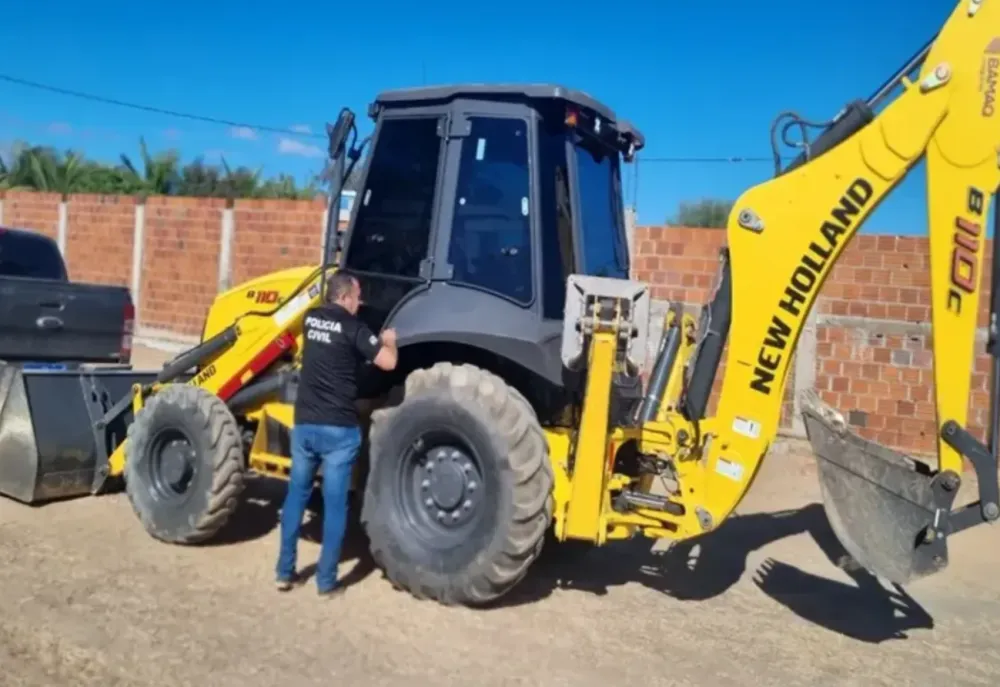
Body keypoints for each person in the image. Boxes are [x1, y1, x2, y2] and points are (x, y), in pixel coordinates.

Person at [275, 271, 398, 597]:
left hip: (305, 427)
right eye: (357, 297)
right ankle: (326, 582)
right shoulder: (354, 327)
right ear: (344, 298)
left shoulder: (312, 320)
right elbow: (387, 363)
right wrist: (389, 341)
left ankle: (284, 573)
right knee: (334, 506)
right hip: (338, 431)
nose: (361, 302)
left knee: (295, 498)